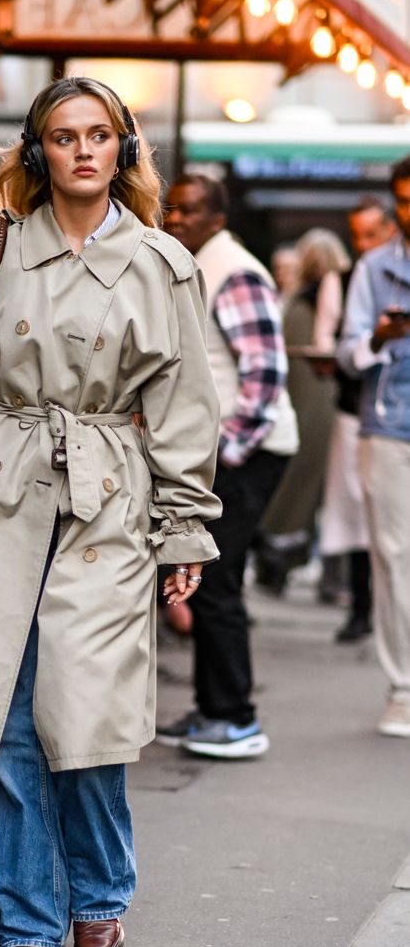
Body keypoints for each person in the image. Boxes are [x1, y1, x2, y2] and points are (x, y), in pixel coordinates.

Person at [0, 77, 221, 947]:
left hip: (107, 497)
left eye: (98, 134)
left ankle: (100, 897)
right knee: (4, 719)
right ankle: (29, 916)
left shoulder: (162, 263)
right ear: (37, 153)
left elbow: (187, 407)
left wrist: (184, 529)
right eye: (62, 136)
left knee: (86, 709)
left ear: (123, 150)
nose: (81, 149)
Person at [157, 173, 298, 759]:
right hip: (229, 451)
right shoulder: (201, 264)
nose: (175, 219)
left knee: (214, 580)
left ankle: (238, 718)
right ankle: (214, 708)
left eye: (189, 211)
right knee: (215, 579)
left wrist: (227, 454)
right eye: (171, 209)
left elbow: (264, 375)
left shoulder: (233, 270)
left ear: (217, 217)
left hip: (246, 451)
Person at [337, 155, 410, 737]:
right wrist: (379, 337)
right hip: (387, 425)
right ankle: (404, 689)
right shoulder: (374, 267)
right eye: (405, 201)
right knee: (393, 559)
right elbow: (346, 353)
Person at [256, 228, 351, 596]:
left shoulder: (303, 301)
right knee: (311, 488)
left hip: (304, 404)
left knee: (303, 487)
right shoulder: (308, 301)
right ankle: (288, 563)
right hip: (312, 404)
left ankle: (281, 562)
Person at [319, 197, 397, 643]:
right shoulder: (349, 278)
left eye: (371, 233)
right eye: (357, 234)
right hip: (358, 412)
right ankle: (363, 607)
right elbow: (339, 349)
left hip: (393, 413)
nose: (363, 243)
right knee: (358, 515)